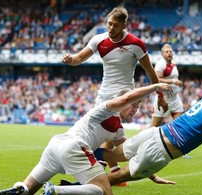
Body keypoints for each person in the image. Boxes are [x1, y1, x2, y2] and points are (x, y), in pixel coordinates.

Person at [0, 83, 173, 195]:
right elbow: (125, 98)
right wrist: (155, 86)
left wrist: (153, 175)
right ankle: (57, 190)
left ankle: (20, 188)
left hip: (56, 145)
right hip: (74, 147)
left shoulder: (118, 129)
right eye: (135, 104)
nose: (136, 109)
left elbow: (132, 152)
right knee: (106, 193)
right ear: (124, 101)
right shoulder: (106, 108)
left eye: (138, 106)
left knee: (29, 189)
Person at [62, 6, 168, 182]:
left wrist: (160, 96)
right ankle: (110, 173)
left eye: (115, 25)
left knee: (113, 135)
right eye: (109, 24)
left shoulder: (136, 44)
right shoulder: (98, 40)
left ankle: (104, 174)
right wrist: (70, 59)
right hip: (104, 96)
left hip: (125, 97)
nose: (111, 28)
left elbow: (150, 71)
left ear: (124, 25)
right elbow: (79, 58)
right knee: (104, 135)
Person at [94, 82, 202, 186]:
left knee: (109, 154)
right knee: (116, 178)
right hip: (160, 151)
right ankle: (75, 187)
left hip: (155, 133)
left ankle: (79, 155)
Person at [150, 44, 191, 159]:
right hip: (164, 98)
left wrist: (176, 82)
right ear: (162, 54)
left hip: (174, 98)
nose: (169, 53)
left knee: (180, 124)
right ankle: (140, 145)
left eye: (170, 51)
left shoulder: (173, 64)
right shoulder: (161, 64)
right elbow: (156, 79)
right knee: (154, 126)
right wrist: (173, 81)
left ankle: (181, 150)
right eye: (167, 51)